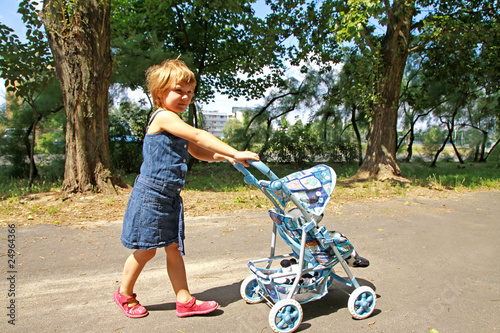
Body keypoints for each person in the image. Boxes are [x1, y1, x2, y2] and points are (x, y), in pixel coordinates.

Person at [113, 59, 259, 319]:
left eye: (189, 93)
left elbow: (198, 150)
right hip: (151, 195)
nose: (185, 97)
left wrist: (224, 157)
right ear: (160, 93)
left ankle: (184, 300)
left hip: (168, 196)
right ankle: (124, 293)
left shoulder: (174, 121)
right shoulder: (164, 117)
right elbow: (199, 136)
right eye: (178, 90)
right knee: (146, 250)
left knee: (173, 249)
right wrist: (234, 150)